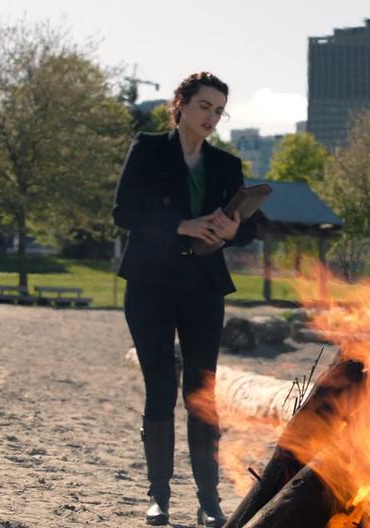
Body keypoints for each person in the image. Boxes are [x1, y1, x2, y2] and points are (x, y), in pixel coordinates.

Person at [113, 72, 257, 527]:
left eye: (219, 110)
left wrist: (235, 230)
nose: (212, 116)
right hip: (149, 285)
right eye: (205, 106)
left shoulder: (227, 165)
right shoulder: (148, 149)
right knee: (159, 389)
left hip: (204, 288)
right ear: (181, 103)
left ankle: (208, 499)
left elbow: (250, 225)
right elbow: (124, 210)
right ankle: (158, 496)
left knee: (202, 394)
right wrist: (182, 224)